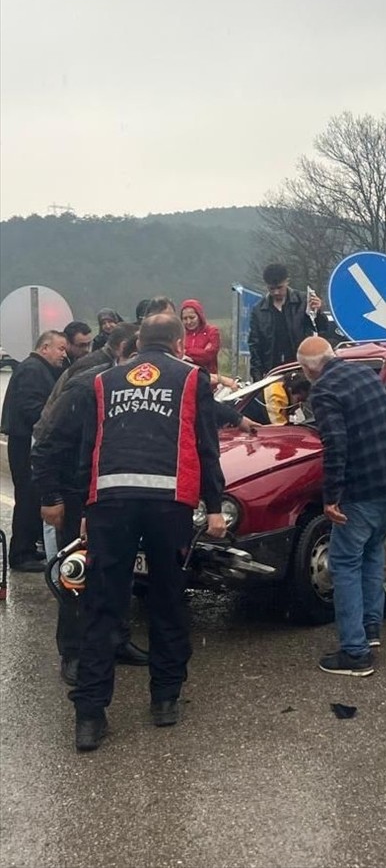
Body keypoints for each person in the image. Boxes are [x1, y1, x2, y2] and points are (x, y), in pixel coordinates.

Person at [70, 314, 226, 752]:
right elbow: (206, 446)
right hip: (169, 502)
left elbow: (89, 448)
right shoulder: (192, 378)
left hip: (110, 501)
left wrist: (85, 508)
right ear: (179, 344)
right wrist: (215, 507)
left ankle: (89, 715)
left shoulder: (104, 381)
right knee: (167, 598)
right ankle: (164, 698)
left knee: (102, 604)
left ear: (138, 343)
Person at [32, 326, 149, 686]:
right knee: (77, 573)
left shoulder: (138, 391)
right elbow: (46, 445)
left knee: (120, 572)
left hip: (116, 494)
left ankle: (116, 639)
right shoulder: (85, 388)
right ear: (124, 354)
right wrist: (50, 498)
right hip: (74, 494)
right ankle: (73, 650)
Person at [297, 336, 386, 677]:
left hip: (363, 489)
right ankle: (370, 628)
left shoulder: (323, 391)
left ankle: (354, 652)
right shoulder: (365, 373)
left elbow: (336, 444)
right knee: (372, 551)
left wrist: (331, 497)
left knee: (344, 562)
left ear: (307, 370)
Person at [0, 330, 69, 570]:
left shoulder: (39, 368)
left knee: (32, 495)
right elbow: (31, 408)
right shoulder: (32, 370)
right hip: (24, 442)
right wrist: (56, 420)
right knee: (27, 497)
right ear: (44, 347)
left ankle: (28, 546)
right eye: (60, 348)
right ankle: (21, 554)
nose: (64, 354)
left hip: (27, 440)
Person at [248, 263, 328, 380]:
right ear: (266, 286)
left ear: (287, 282)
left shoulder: (303, 301)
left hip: (301, 369)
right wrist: (257, 378)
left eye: (279, 287)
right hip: (271, 372)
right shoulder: (258, 310)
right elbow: (255, 347)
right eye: (272, 289)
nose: (276, 292)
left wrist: (318, 311)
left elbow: (321, 329)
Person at [180, 299, 221, 373]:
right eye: (185, 318)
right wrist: (201, 351)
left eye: (192, 317)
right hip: (186, 376)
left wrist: (186, 352)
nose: (188, 322)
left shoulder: (212, 331)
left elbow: (208, 356)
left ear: (199, 316)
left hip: (208, 376)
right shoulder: (180, 334)